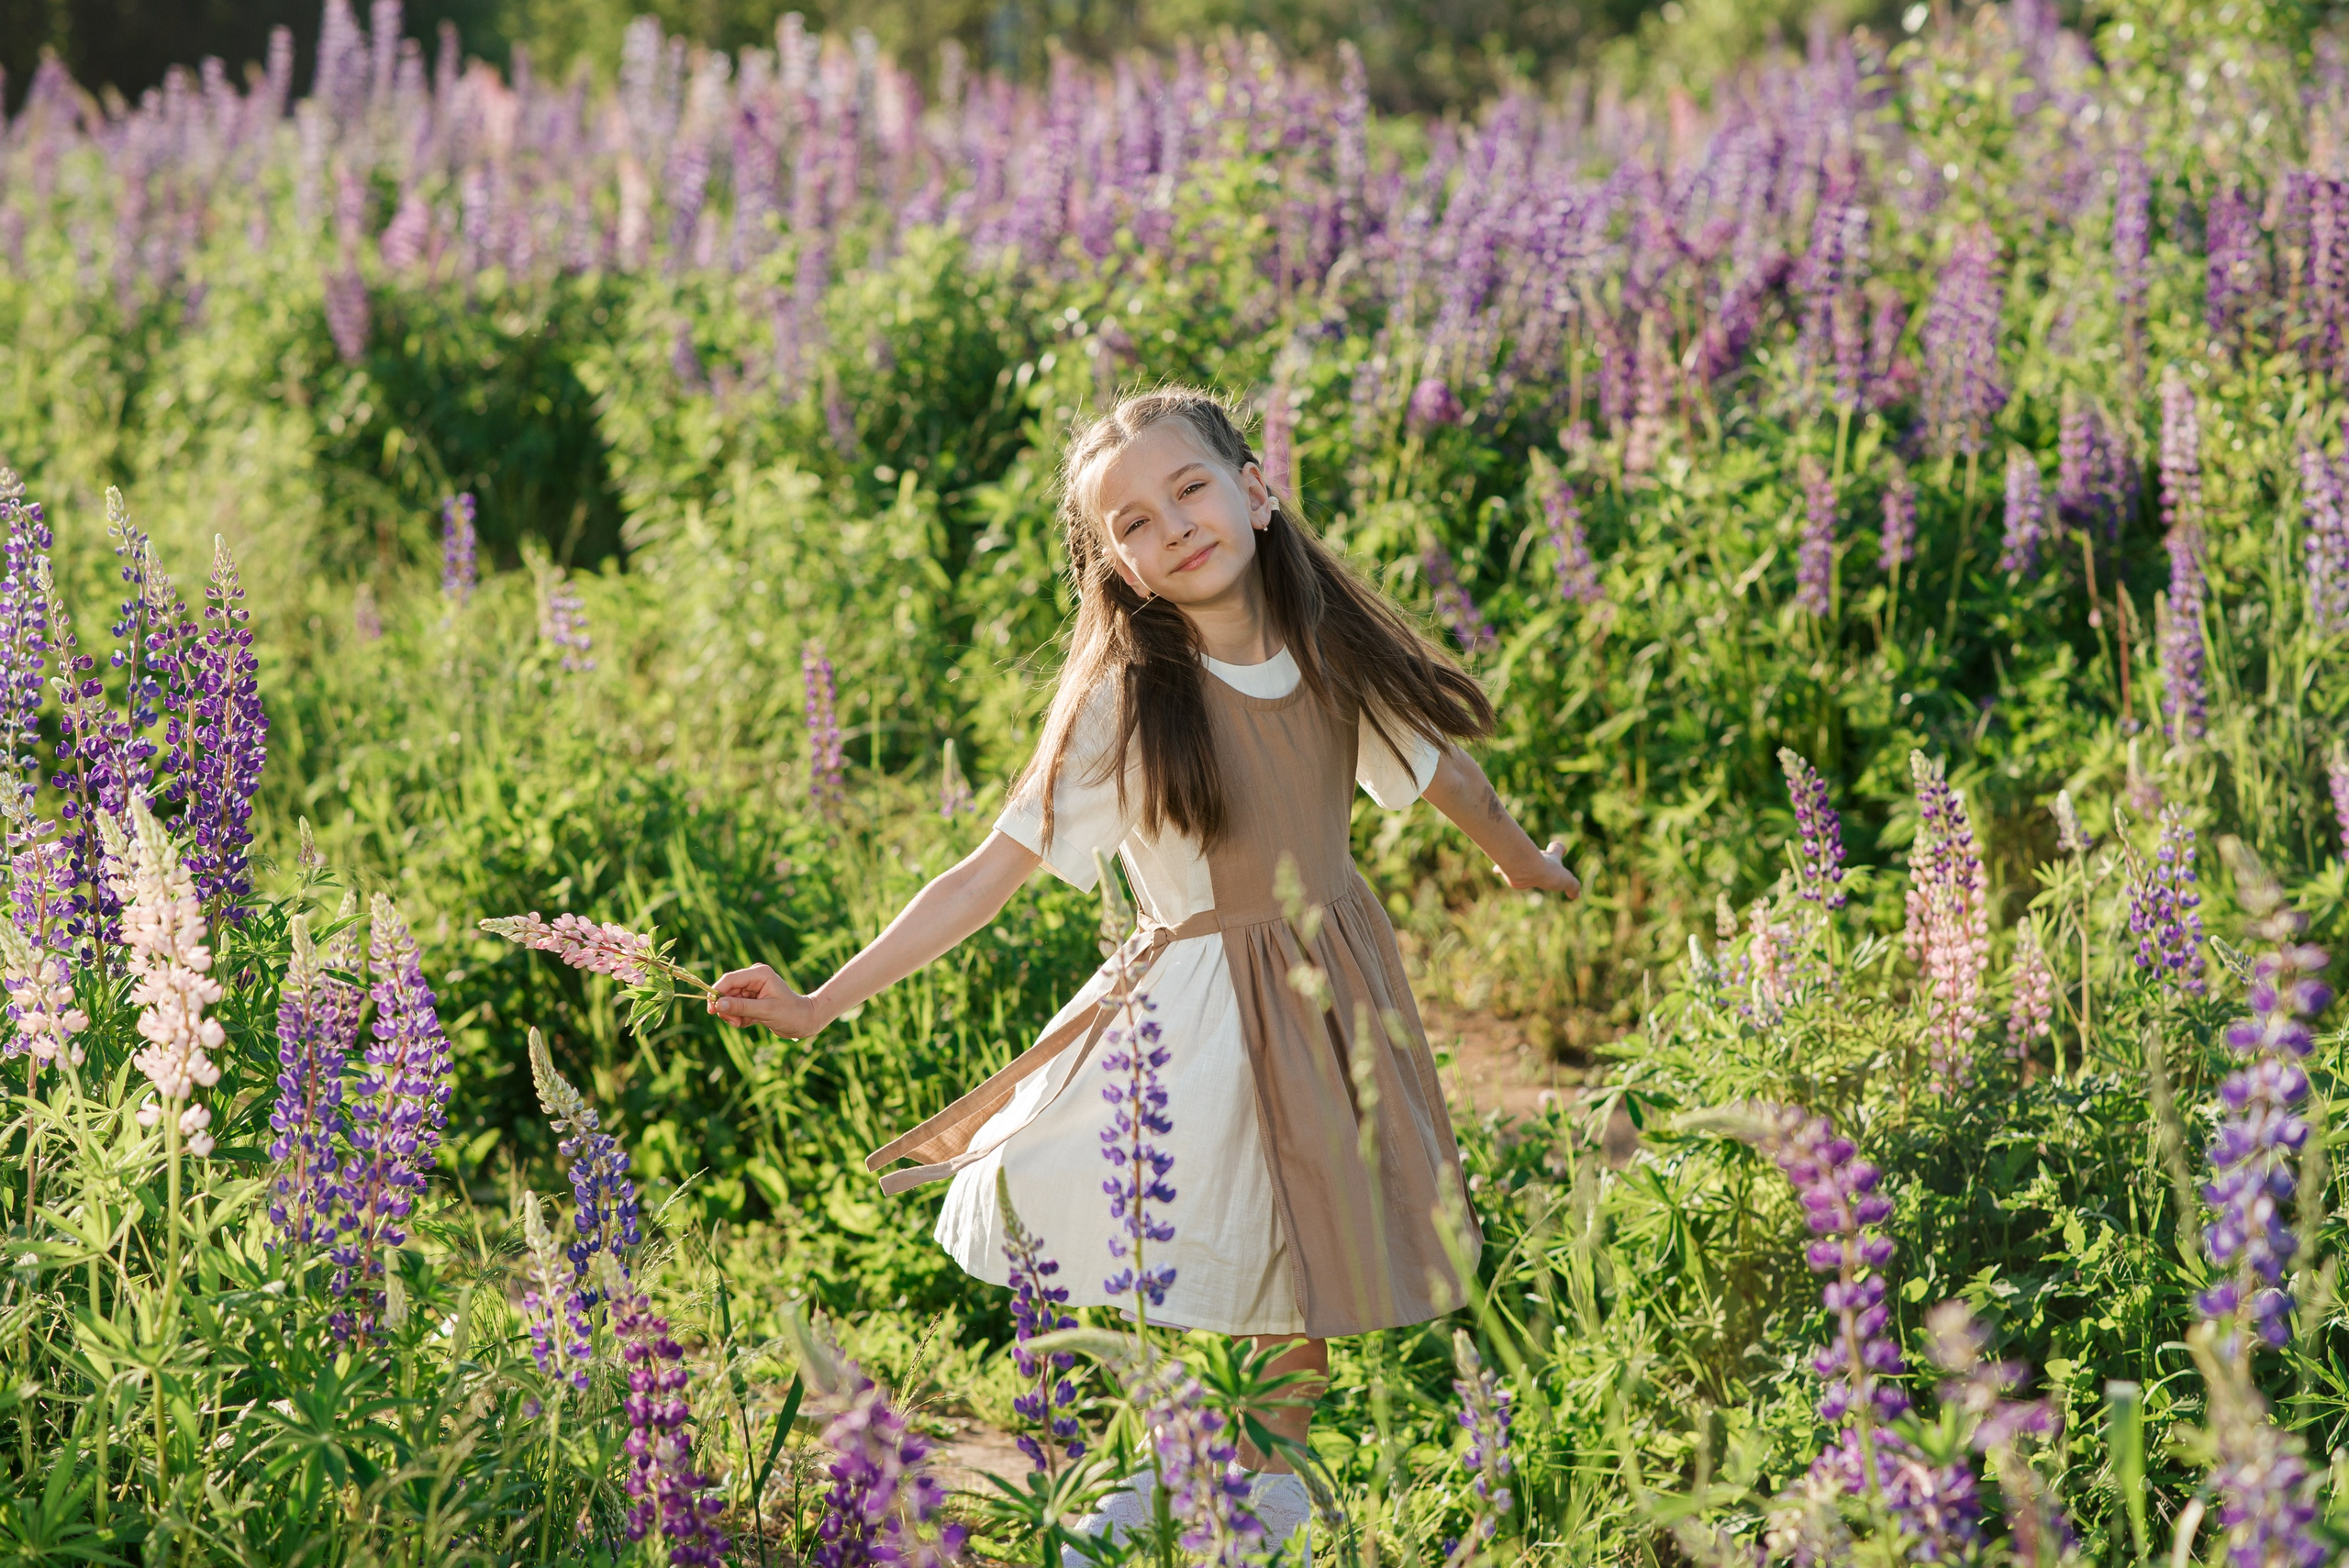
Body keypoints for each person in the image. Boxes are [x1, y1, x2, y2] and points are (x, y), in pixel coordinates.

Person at [710, 386, 1578, 1556]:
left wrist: (1528, 868)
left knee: (1303, 1276)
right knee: (1218, 1250)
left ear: (1255, 492)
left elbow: (1446, 779)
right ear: (1116, 569)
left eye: (1189, 489)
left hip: (1329, 998)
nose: (1170, 525)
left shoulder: (1329, 655)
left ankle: (1253, 1497)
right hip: (1201, 1019)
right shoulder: (1128, 698)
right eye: (1130, 523)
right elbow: (986, 872)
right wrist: (821, 1000)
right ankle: (1161, 1492)